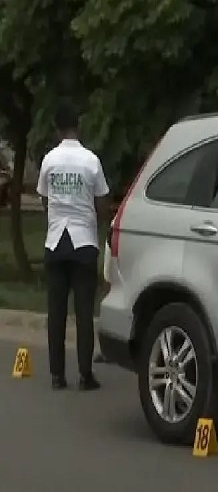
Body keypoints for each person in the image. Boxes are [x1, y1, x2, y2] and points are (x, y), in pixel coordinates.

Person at [36, 106, 110, 390]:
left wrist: (56, 217)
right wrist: (95, 222)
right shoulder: (90, 161)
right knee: (83, 312)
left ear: (57, 129)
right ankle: (85, 374)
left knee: (55, 312)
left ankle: (57, 376)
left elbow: (44, 199)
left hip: (55, 241)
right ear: (78, 127)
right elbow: (102, 203)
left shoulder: (49, 160)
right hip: (83, 242)